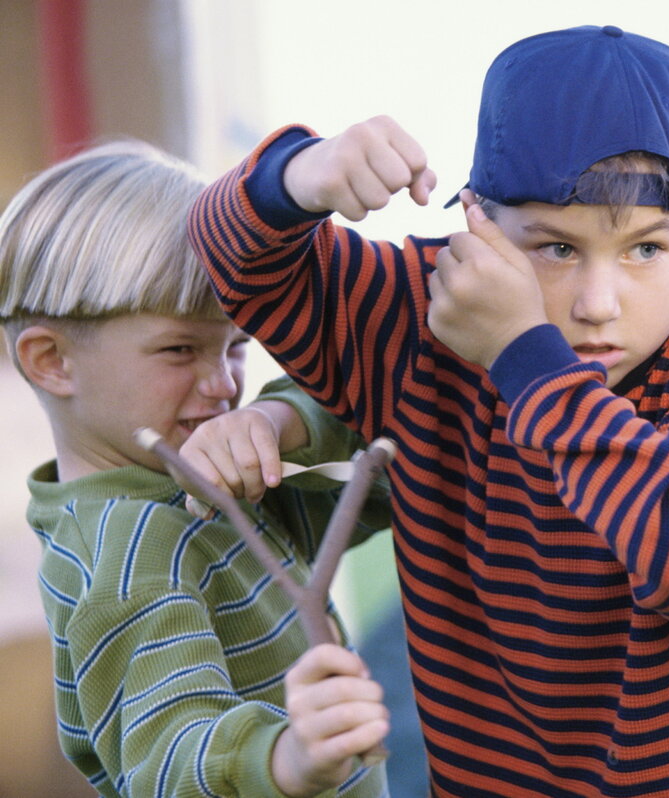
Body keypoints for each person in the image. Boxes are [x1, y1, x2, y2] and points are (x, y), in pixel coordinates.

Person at [187, 24, 669, 797]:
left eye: (647, 249)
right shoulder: (428, 315)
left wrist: (525, 357)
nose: (598, 305)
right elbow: (233, 258)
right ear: (477, 220)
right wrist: (303, 173)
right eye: (554, 248)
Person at [0, 140, 393, 798]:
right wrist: (286, 758)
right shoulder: (125, 551)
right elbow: (168, 750)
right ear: (52, 361)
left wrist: (281, 421)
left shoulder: (199, 485)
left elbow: (387, 466)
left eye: (237, 346)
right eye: (180, 348)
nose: (223, 384)